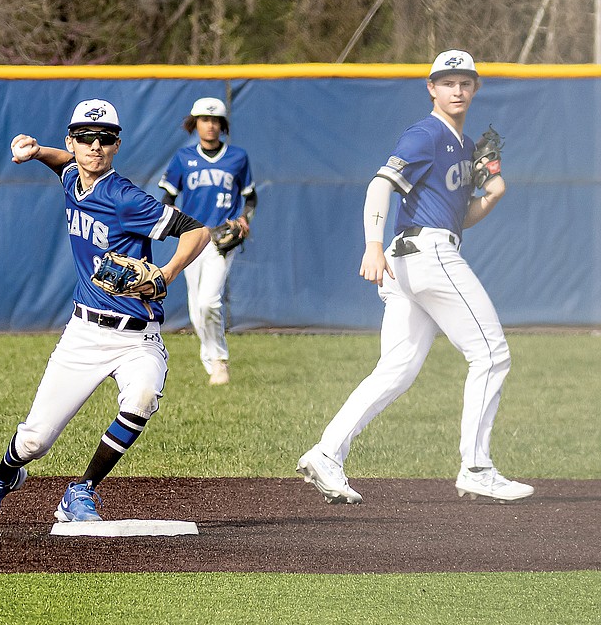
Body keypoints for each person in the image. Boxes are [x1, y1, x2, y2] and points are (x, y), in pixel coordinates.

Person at [297, 50, 534, 504]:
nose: (457, 89)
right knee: (491, 354)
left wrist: (495, 192)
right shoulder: (426, 134)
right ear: (431, 88)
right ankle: (477, 467)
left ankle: (327, 453)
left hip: (419, 255)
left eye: (465, 82)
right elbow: (380, 184)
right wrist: (370, 242)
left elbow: (459, 218)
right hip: (425, 253)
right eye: (448, 82)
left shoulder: (464, 147)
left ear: (475, 88)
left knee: (396, 370)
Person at [0, 98, 209, 524]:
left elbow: (197, 231)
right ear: (71, 141)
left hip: (138, 335)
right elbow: (64, 165)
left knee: (143, 396)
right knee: (34, 442)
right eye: (85, 138)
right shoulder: (73, 176)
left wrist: (166, 274)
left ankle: (81, 490)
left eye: (105, 138)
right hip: (85, 333)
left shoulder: (125, 197)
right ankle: (3, 475)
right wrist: (37, 152)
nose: (94, 146)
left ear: (116, 145)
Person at [158, 97, 257, 386]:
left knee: (209, 302)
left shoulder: (237, 157)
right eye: (204, 119)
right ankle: (212, 358)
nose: (210, 125)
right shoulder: (183, 158)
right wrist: (171, 211)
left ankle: (219, 361)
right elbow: (168, 196)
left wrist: (244, 218)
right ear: (195, 123)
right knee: (196, 309)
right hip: (191, 235)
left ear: (222, 125)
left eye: (215, 120)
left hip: (220, 238)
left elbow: (250, 197)